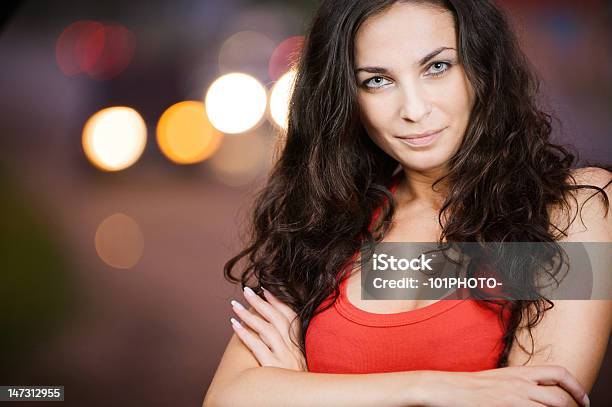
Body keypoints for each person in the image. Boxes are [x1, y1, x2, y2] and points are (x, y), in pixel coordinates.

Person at [203, 0, 612, 406]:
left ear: (482, 67)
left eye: (437, 67)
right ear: (348, 96)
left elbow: (536, 403)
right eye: (377, 80)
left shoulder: (572, 207)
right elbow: (228, 399)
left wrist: (306, 390)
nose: (414, 110)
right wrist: (428, 388)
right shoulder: (329, 221)